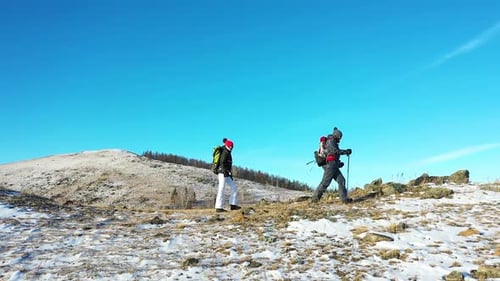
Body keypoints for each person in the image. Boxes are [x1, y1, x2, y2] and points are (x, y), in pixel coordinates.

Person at [312, 127, 352, 204]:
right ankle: (314, 200)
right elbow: (334, 152)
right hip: (330, 165)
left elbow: (332, 154)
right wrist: (345, 151)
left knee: (341, 180)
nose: (340, 139)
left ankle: (344, 200)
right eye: (340, 136)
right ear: (337, 135)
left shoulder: (331, 141)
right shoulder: (331, 141)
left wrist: (338, 163)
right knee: (325, 182)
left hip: (333, 165)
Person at [215, 138, 240, 212]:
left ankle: (233, 205)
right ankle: (219, 207)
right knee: (221, 189)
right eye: (230, 146)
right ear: (227, 146)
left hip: (226, 173)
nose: (231, 148)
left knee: (234, 187)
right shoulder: (224, 152)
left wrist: (229, 174)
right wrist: (225, 172)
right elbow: (222, 163)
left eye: (232, 147)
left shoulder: (228, 152)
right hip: (222, 173)